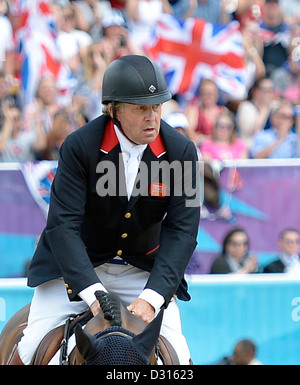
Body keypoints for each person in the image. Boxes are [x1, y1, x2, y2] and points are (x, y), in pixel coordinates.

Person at [10, 55, 200, 365]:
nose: (152, 118)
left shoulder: (183, 152)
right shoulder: (79, 147)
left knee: (179, 355)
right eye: (141, 109)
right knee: (31, 347)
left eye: (157, 107)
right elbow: (63, 226)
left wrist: (152, 300)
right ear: (113, 109)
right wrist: (92, 293)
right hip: (76, 270)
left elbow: (183, 230)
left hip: (141, 271)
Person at [236, 77, 275, 149]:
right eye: (265, 90)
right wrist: (265, 107)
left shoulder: (274, 105)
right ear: (255, 90)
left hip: (271, 147)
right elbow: (254, 131)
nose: (269, 94)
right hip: (251, 147)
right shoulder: (245, 107)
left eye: (271, 90)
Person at [185, 79, 226, 147]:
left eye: (212, 93)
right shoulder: (194, 111)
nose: (209, 96)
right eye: (206, 93)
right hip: (201, 147)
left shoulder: (223, 111)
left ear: (217, 95)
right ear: (201, 95)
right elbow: (189, 133)